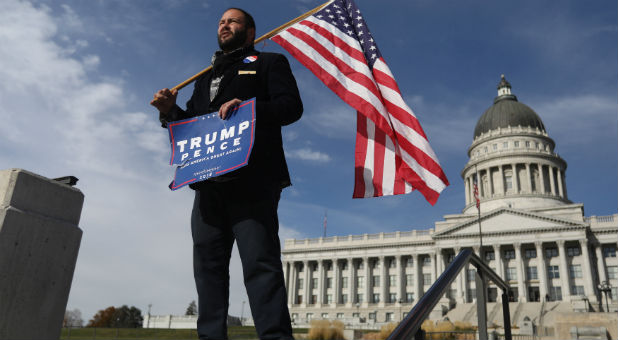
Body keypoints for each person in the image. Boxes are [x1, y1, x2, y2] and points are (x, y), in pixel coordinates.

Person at [150, 8, 302, 340]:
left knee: (260, 267)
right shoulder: (204, 79)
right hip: (207, 186)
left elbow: (291, 108)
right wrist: (169, 112)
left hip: (253, 182)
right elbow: (190, 126)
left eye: (232, 21)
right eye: (221, 21)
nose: (224, 25)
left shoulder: (269, 63)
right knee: (208, 273)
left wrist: (248, 108)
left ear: (249, 32)